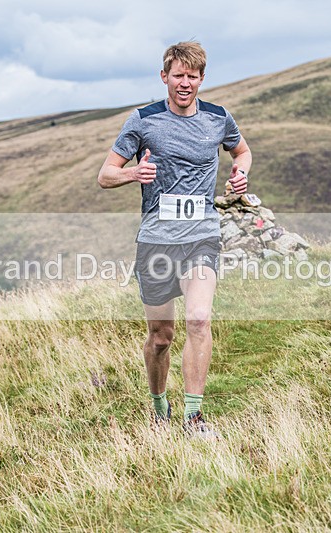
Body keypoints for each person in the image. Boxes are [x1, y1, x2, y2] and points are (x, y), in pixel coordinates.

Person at [97, 41, 252, 439]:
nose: (185, 83)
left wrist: (239, 171)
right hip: (156, 240)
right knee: (161, 337)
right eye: (178, 75)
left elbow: (243, 150)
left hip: (201, 234)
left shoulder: (219, 118)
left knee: (199, 319)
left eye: (193, 76)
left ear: (202, 79)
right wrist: (133, 174)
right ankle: (159, 406)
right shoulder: (143, 120)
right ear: (164, 76)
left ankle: (194, 419)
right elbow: (105, 175)